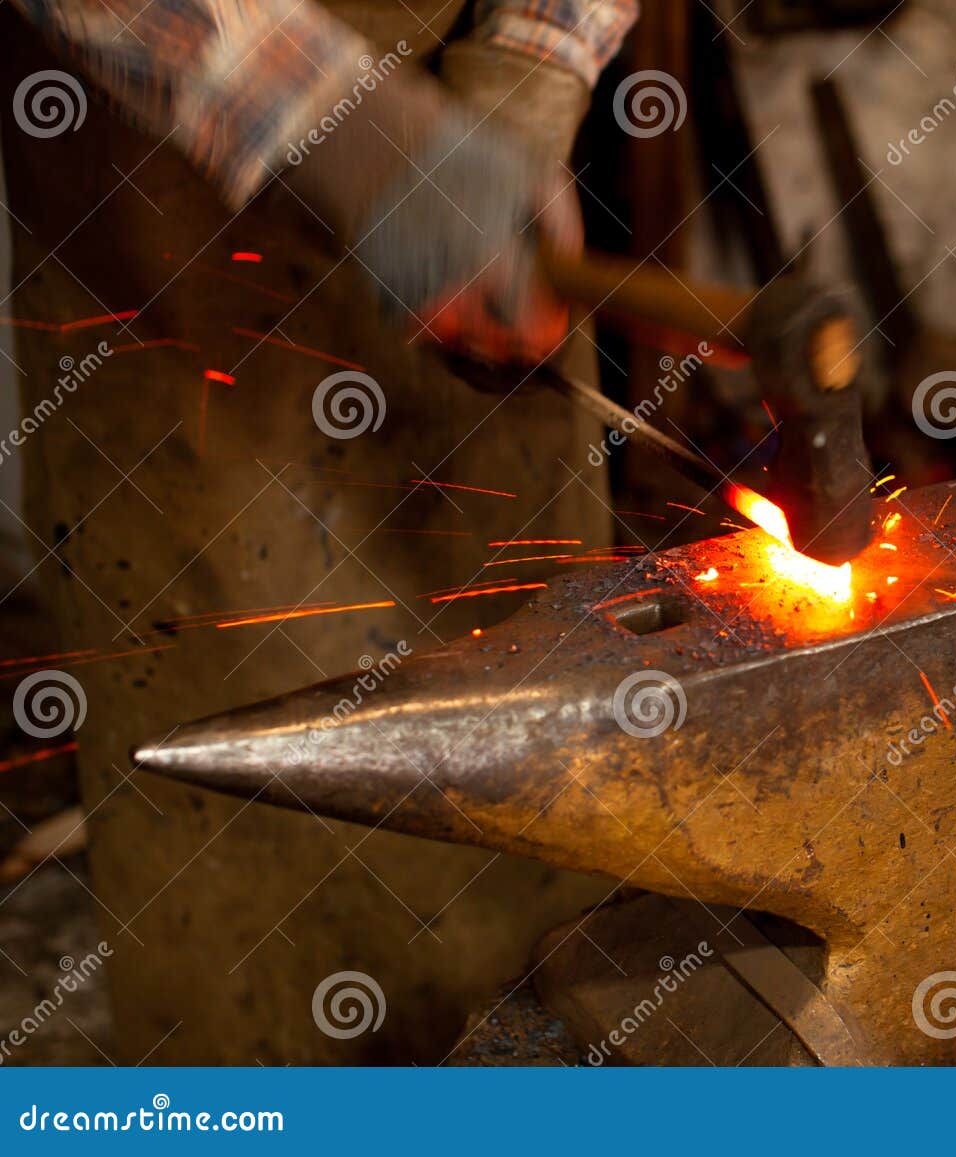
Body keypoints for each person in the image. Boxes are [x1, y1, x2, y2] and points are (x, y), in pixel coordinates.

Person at [0, 0, 636, 1062]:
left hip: (478, 181)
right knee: (268, 903)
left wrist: (530, 66)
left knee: (542, 821)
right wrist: (356, 130)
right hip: (170, 228)